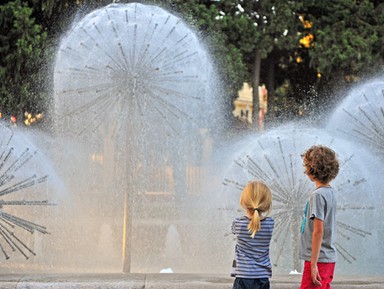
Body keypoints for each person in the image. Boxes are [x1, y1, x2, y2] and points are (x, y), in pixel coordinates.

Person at [299, 145, 340, 289]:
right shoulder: (330, 192)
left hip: (318, 259)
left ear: (311, 170)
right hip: (327, 258)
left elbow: (318, 231)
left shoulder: (317, 195)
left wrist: (313, 264)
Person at [231, 181, 274, 289]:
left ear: (244, 201)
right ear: (266, 204)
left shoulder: (238, 223)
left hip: (242, 276)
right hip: (262, 276)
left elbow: (233, 231)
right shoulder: (270, 223)